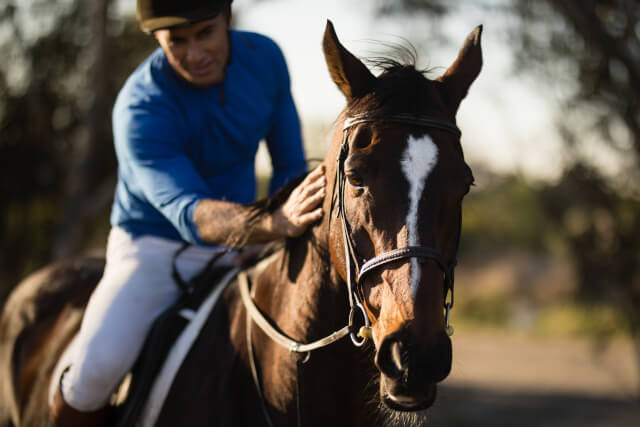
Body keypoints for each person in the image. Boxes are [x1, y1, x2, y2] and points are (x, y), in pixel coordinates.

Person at [48, 0, 325, 425]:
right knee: (93, 374)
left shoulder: (265, 58)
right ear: (157, 39)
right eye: (177, 40)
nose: (195, 54)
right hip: (153, 249)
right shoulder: (140, 106)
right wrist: (270, 224)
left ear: (227, 18)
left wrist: (280, 224)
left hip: (247, 242)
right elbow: (187, 212)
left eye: (205, 33)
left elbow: (289, 165)